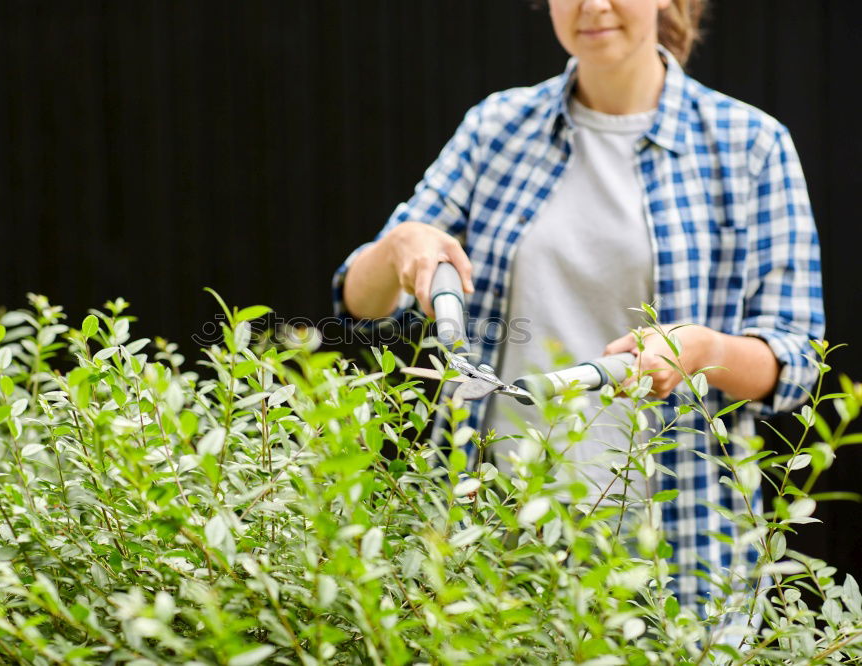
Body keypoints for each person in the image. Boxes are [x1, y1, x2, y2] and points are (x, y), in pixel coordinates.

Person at [331, 0, 825, 615]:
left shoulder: (751, 145)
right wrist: (397, 249)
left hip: (675, 554)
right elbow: (363, 305)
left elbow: (797, 359)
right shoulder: (498, 127)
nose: (592, 5)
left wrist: (705, 353)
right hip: (491, 539)